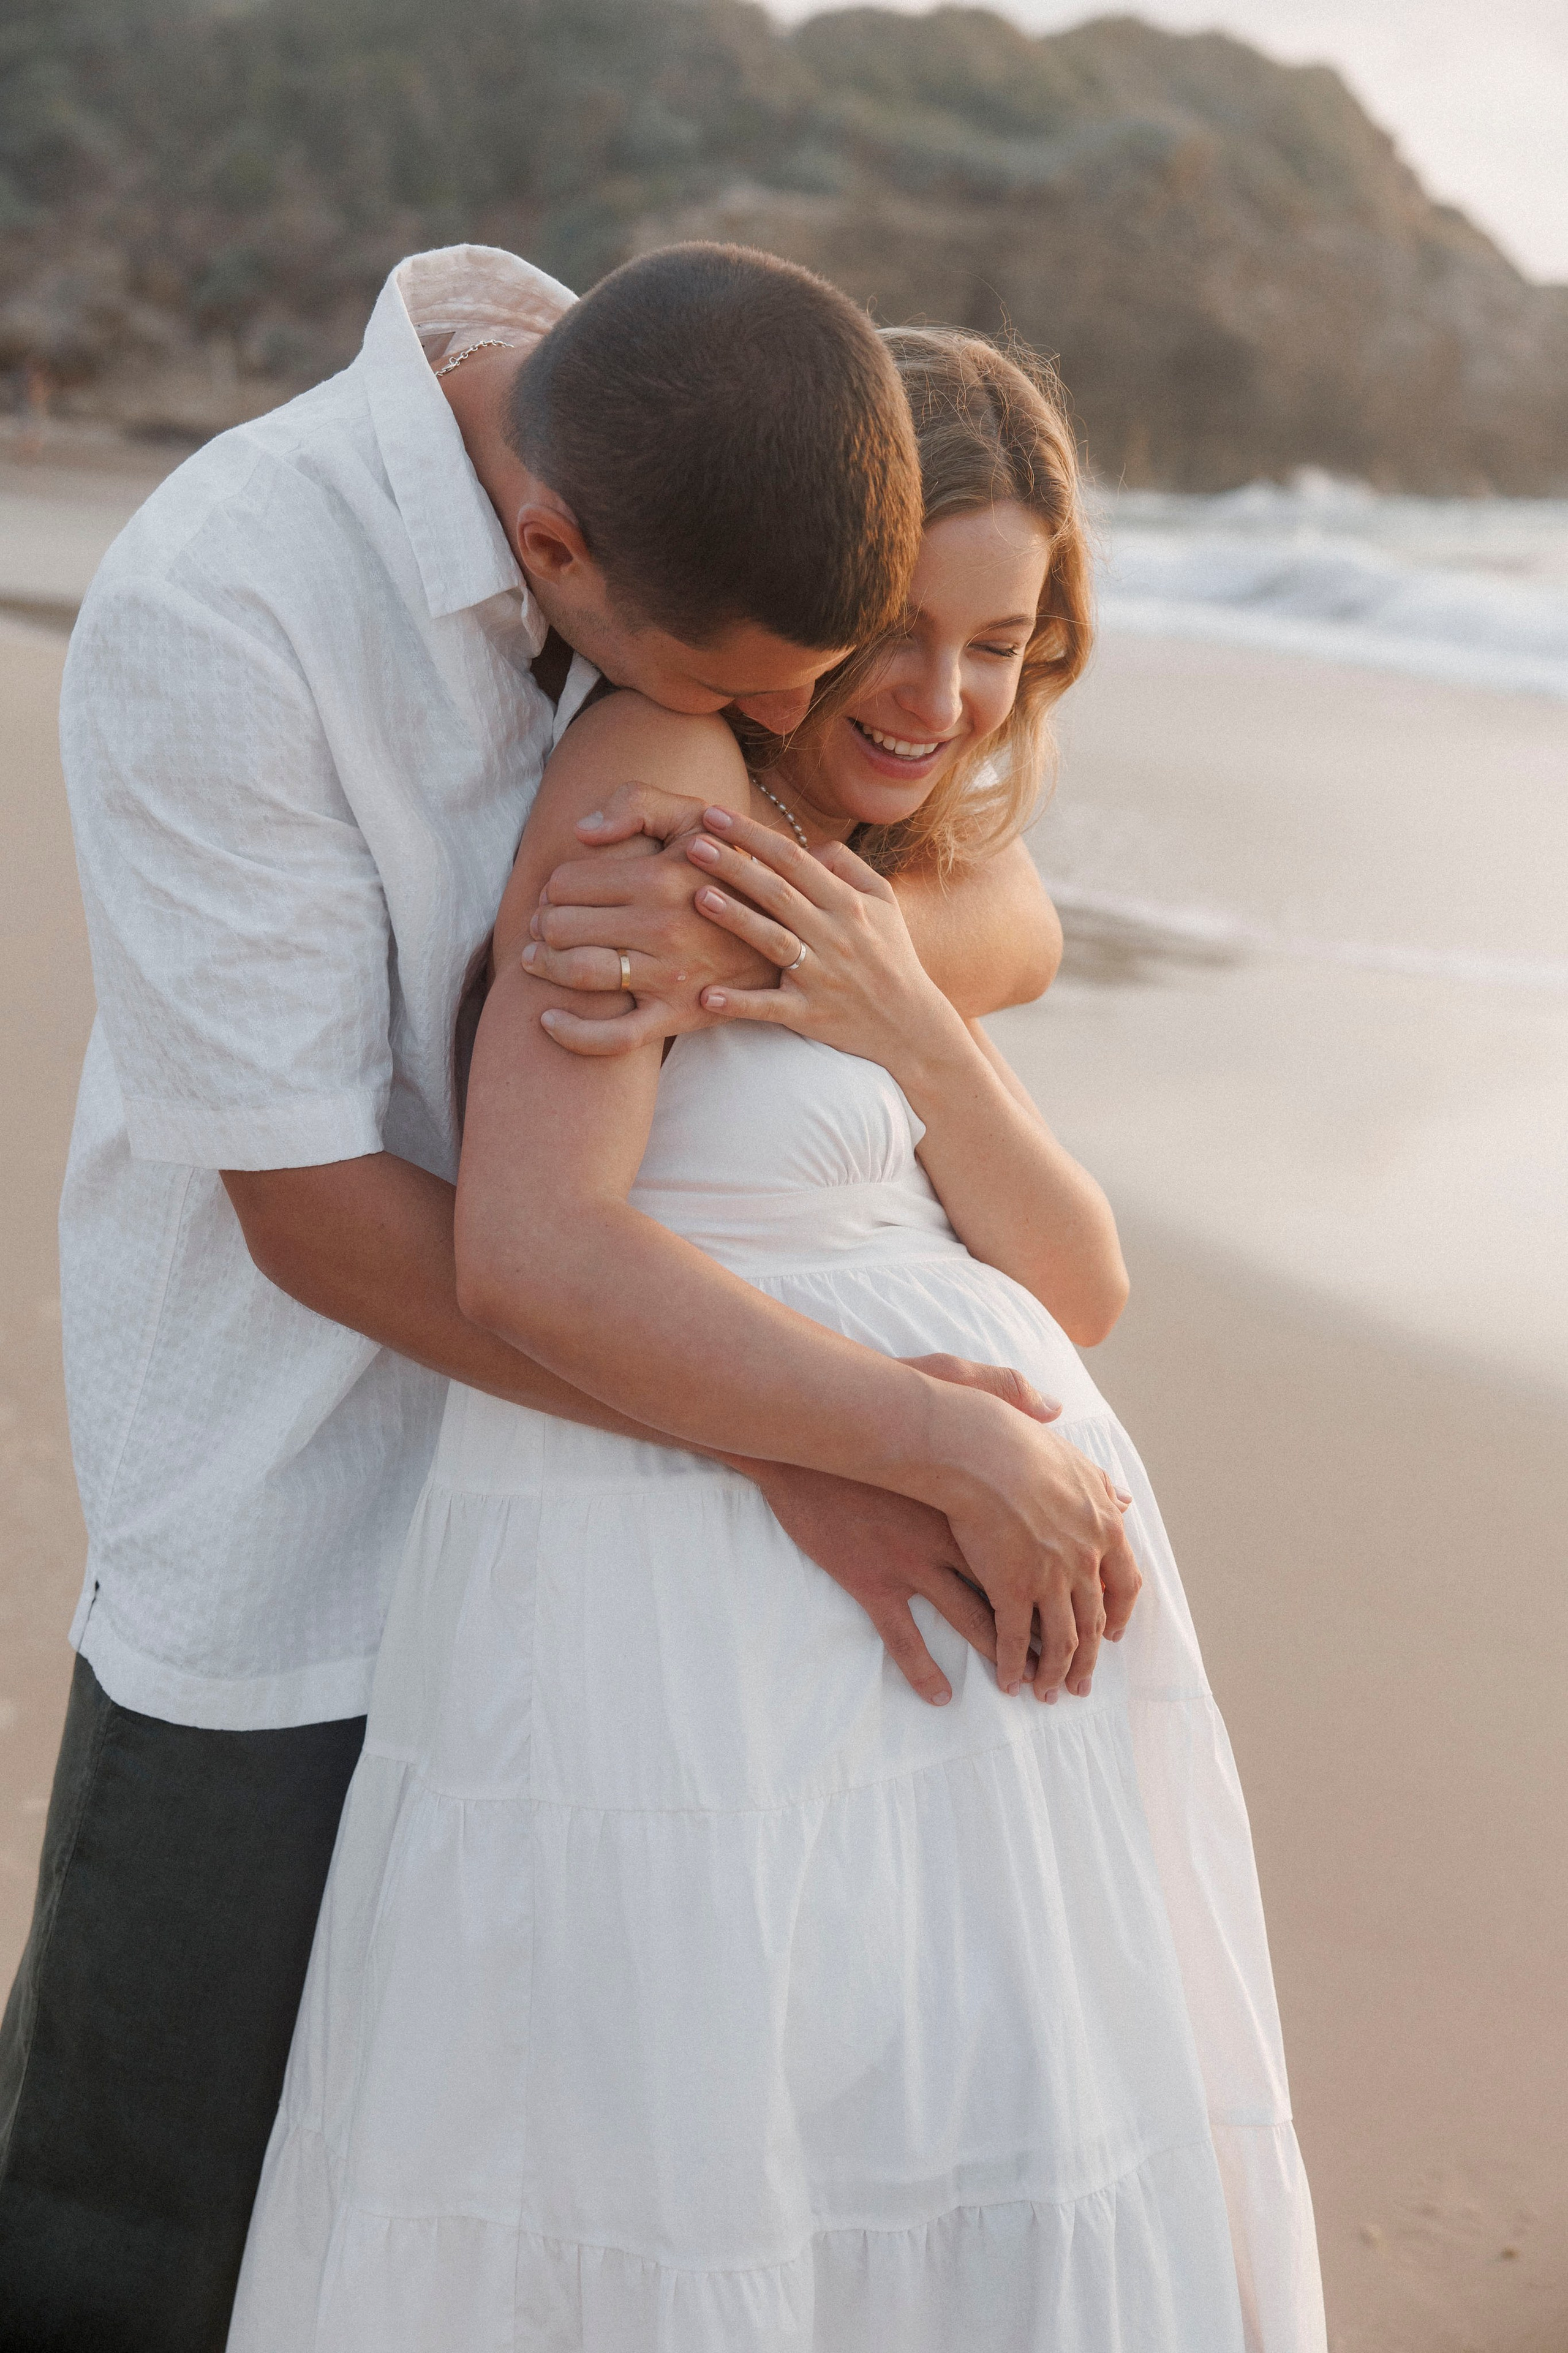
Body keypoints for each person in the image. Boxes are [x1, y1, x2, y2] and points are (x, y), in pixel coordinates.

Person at [0, 247, 1108, 2350]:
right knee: (140, 2219)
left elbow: (962, 858)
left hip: (612, 1574)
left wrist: (823, 953)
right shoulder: (220, 611)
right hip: (302, 1519)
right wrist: (832, 1434)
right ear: (549, 552)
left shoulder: (696, 434)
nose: (778, 725)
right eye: (737, 686)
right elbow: (320, 1215)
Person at [230, 330, 1325, 2350]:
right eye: (897, 630)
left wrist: (910, 1018)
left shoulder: (909, 875)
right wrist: (942, 1442)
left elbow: (1073, 1285)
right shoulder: (664, 779)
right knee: (681, 2186)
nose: (940, 694)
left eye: (1002, 642)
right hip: (686, 1606)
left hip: (951, 1675)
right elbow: (537, 1252)